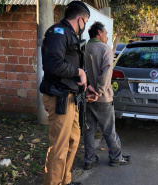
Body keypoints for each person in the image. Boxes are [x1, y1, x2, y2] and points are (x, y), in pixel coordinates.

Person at [40, 1, 96, 185]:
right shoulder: (58, 33)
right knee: (59, 147)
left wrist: (85, 85)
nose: (86, 25)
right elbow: (53, 64)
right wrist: (78, 72)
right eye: (86, 21)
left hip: (71, 97)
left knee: (73, 139)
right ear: (80, 19)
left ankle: (65, 180)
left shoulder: (71, 35)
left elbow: (73, 66)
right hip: (59, 98)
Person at [84, 22, 131, 170]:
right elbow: (106, 74)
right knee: (109, 129)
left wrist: (89, 92)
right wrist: (99, 91)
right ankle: (116, 157)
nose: (107, 36)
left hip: (87, 96)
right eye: (105, 33)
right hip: (102, 97)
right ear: (99, 33)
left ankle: (89, 160)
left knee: (89, 130)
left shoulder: (84, 48)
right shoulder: (105, 49)